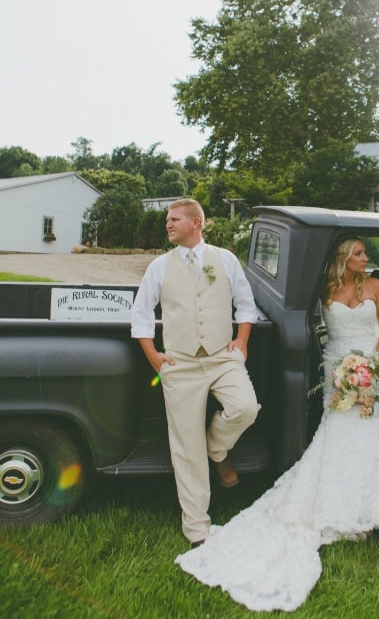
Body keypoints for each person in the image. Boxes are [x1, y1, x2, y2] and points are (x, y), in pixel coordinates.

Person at [175, 237, 379, 612]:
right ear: (342, 259)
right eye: (358, 253)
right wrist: (346, 371)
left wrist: (372, 362)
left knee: (375, 435)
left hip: (372, 368)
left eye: (364, 253)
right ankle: (341, 505)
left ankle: (374, 508)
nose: (365, 257)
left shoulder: (375, 285)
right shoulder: (324, 289)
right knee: (339, 437)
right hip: (337, 369)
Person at [130, 198, 260, 546]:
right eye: (167, 220)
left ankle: (216, 450)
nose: (168, 225)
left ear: (196, 223)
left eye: (174, 219)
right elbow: (141, 314)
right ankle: (197, 527)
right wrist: (155, 357)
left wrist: (241, 342)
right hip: (180, 363)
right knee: (185, 446)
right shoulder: (159, 266)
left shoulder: (225, 260)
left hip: (221, 356)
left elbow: (246, 305)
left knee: (245, 407)